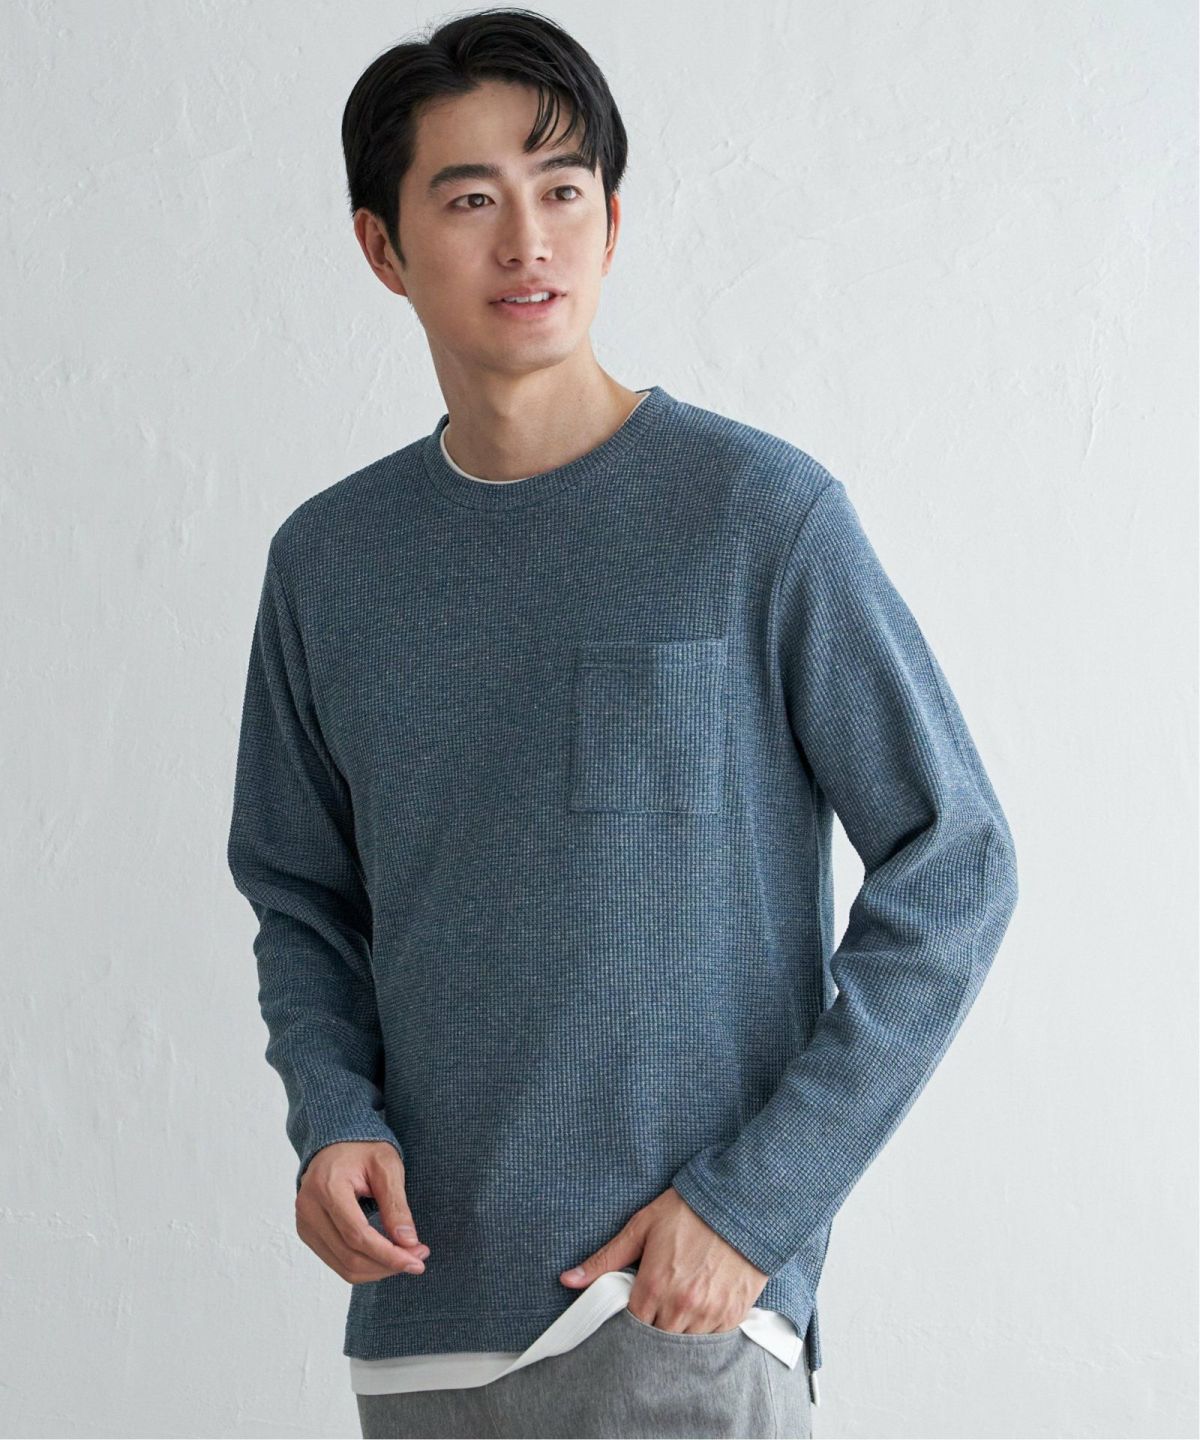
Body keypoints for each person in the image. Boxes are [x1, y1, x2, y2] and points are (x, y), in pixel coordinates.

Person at [225, 9, 1020, 1438]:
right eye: (472, 200)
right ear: (382, 247)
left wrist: (758, 1204)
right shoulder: (329, 562)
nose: (529, 240)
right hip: (419, 1329)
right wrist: (332, 1115)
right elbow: (300, 895)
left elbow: (954, 862)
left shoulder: (758, 518)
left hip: (671, 1318)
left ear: (612, 221)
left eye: (564, 188)